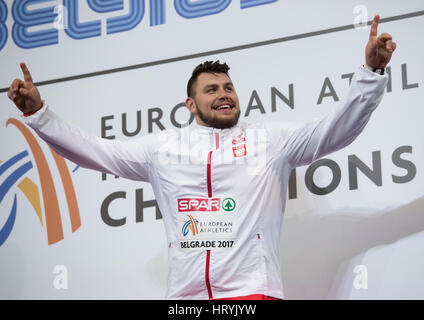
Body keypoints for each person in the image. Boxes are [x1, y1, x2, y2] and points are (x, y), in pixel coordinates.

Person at [7, 15, 395, 300]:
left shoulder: (270, 140)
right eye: (212, 89)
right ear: (191, 104)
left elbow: (338, 128)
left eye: (229, 87)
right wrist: (38, 114)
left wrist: (371, 72)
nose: (224, 94)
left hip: (252, 297)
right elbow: (96, 151)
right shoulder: (163, 149)